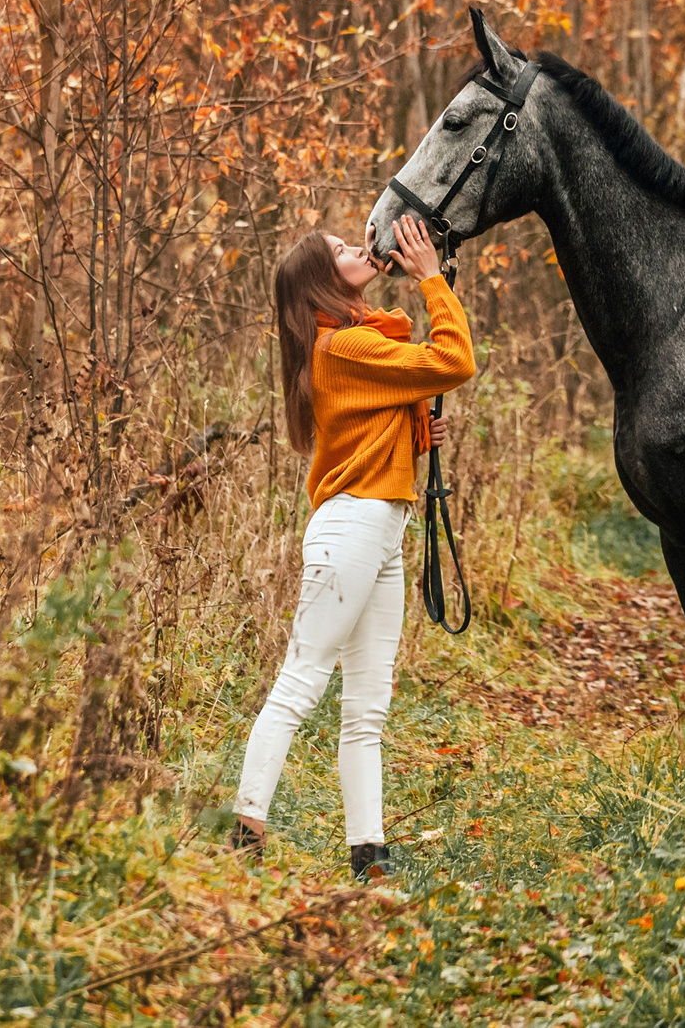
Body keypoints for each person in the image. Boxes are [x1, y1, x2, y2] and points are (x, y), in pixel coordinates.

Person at [232, 213, 473, 880]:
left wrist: (419, 433)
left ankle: (369, 855)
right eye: (340, 250)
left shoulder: (352, 343)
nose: (355, 247)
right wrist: (430, 281)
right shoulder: (343, 347)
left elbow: (371, 433)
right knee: (300, 682)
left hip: (378, 527)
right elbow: (454, 360)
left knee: (366, 706)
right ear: (321, 281)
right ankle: (245, 830)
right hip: (353, 529)